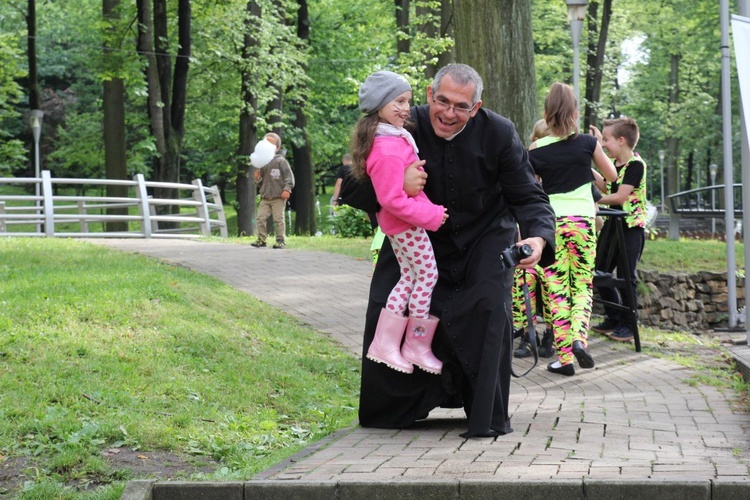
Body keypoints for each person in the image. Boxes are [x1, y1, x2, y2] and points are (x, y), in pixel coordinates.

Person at [342, 63, 556, 438]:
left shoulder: (500, 133)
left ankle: (484, 414)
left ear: (476, 107)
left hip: (484, 239)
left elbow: (528, 195)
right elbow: (352, 184)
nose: (448, 113)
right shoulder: (402, 124)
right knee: (389, 293)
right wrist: (395, 183)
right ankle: (393, 408)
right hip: (418, 237)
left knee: (489, 304)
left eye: (461, 107)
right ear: (429, 94)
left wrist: (538, 238)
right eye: (442, 101)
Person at [351, 70, 449, 375]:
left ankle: (390, 343)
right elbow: (392, 198)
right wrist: (431, 216)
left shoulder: (390, 137)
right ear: (380, 104)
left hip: (401, 225)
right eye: (398, 101)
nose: (406, 108)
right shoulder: (387, 148)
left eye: (408, 100)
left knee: (409, 278)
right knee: (427, 277)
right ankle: (414, 345)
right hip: (406, 225)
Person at [527, 82, 617, 376]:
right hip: (582, 223)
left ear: (546, 113)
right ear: (575, 113)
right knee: (581, 285)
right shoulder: (587, 145)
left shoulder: (536, 149)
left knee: (556, 290)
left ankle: (564, 359)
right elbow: (611, 175)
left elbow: (530, 187)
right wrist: (593, 152)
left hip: (551, 225)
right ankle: (580, 339)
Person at [589, 117, 647, 342]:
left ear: (621, 141)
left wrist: (594, 200)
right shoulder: (617, 167)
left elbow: (620, 196)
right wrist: (587, 163)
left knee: (625, 275)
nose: (603, 144)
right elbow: (605, 183)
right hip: (614, 225)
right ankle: (614, 317)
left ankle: (629, 324)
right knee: (599, 270)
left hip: (630, 227)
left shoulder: (635, 165)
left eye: (606, 140)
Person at [251, 133, 295, 249]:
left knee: (278, 219)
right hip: (265, 197)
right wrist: (257, 178)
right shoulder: (262, 163)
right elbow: (260, 183)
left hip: (278, 197)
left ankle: (280, 239)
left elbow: (289, 178)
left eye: (272, 144)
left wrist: (287, 189)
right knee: (260, 218)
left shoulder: (281, 161)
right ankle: (261, 238)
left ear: (277, 148)